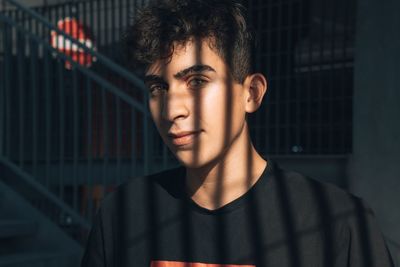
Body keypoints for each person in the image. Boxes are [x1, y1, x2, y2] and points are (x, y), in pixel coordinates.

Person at [81, 0, 394, 266]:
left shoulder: (338, 223)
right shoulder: (123, 215)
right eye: (158, 88)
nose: (172, 109)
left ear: (252, 93)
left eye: (198, 82)